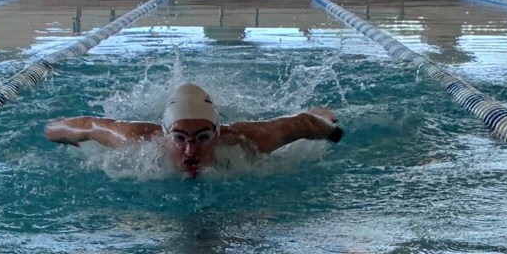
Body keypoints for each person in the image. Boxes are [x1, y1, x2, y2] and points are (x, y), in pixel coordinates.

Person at [44, 83, 344, 178]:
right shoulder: (137, 138)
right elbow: (87, 125)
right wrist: (56, 131)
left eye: (202, 138)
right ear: (164, 135)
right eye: (179, 138)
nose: (191, 150)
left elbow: (305, 122)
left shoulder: (247, 139)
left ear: (217, 133)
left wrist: (331, 127)